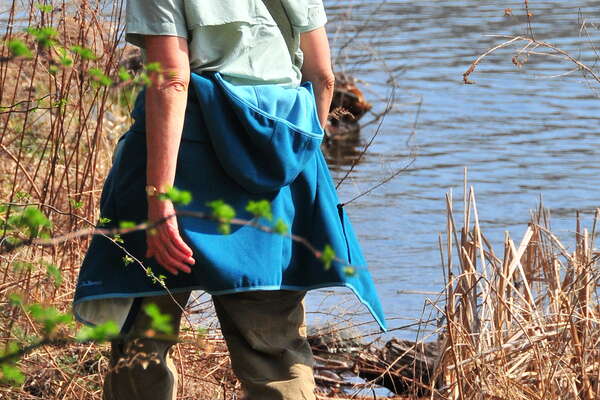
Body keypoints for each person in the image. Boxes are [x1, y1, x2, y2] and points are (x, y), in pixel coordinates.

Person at [72, 1, 386, 399]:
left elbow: (171, 80)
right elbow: (322, 77)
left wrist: (159, 198)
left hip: (177, 162)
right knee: (274, 351)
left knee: (141, 342)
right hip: (272, 165)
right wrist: (293, 157)